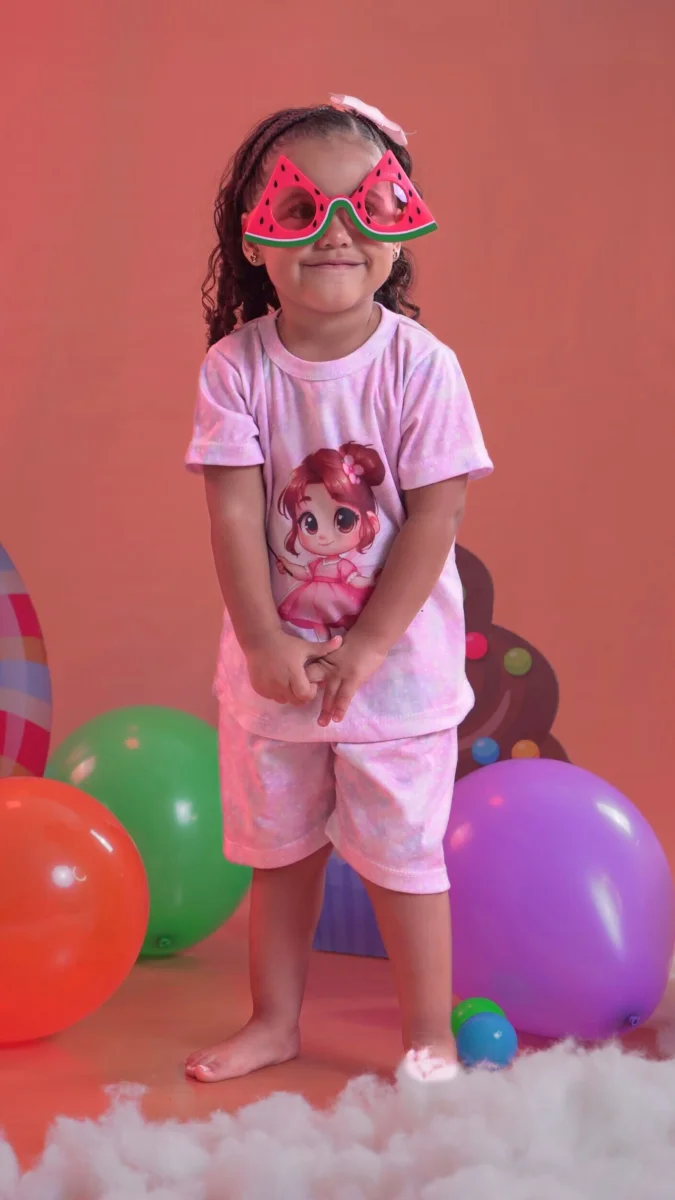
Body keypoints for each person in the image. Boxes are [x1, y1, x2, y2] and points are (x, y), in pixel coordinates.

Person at [184, 94, 493, 1085]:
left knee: (403, 860)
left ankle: (427, 1038)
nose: (337, 231)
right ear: (255, 239)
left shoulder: (423, 367)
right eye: (301, 208)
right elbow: (234, 515)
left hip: (393, 675)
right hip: (276, 671)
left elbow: (436, 519)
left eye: (369, 206)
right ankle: (274, 1021)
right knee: (280, 856)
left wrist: (365, 650)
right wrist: (265, 643)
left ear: (400, 233)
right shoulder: (235, 369)